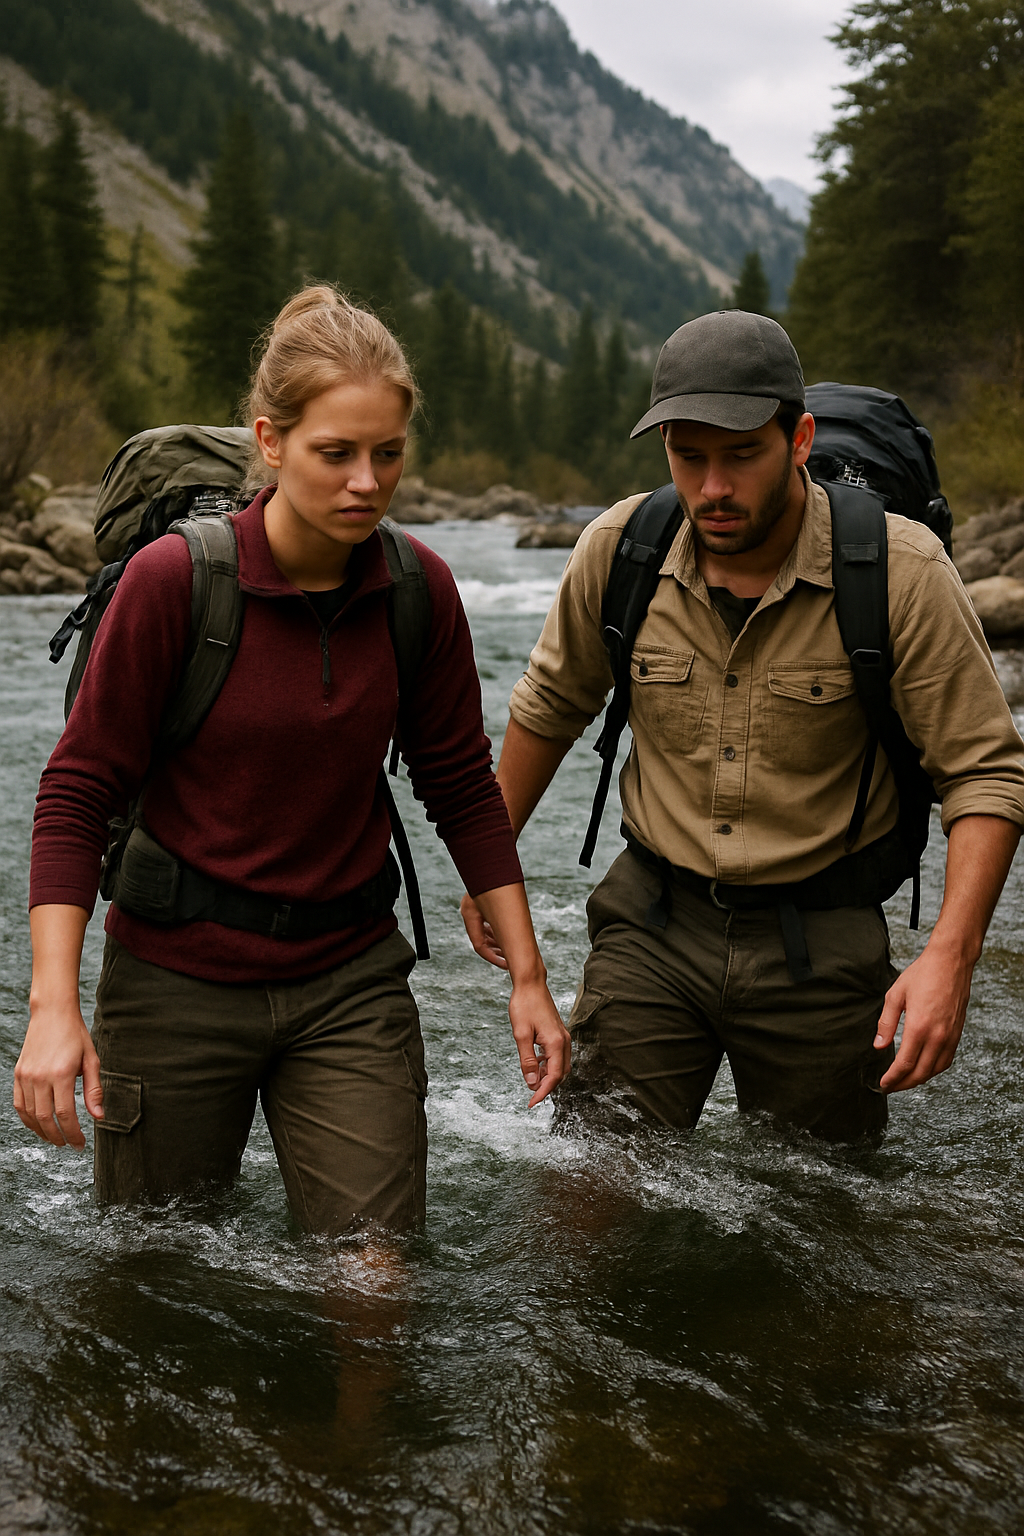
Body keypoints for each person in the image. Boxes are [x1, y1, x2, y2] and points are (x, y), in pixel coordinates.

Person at [15, 284, 570, 1232]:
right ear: (269, 442)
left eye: (387, 455)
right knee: (157, 1275)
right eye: (336, 454)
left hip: (349, 979)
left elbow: (461, 786)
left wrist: (527, 977)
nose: (366, 481)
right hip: (173, 980)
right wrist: (51, 1007)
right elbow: (76, 793)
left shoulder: (417, 590)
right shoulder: (173, 584)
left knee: (375, 1275)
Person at [462, 309, 1024, 1143]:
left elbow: (985, 772)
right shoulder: (621, 550)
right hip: (652, 924)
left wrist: (952, 955)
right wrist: (489, 861)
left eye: (740, 456)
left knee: (819, 1220)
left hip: (824, 942)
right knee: (588, 1186)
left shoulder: (900, 571)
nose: (712, 487)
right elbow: (548, 706)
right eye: (688, 458)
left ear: (799, 440)